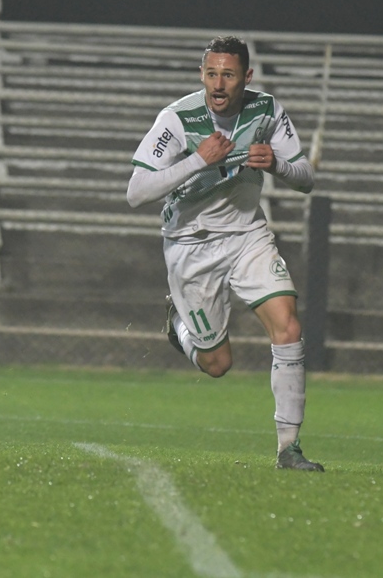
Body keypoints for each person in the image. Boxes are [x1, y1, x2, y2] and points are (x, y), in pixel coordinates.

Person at [127, 35, 323, 471]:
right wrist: (197, 160)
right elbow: (136, 191)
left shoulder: (266, 110)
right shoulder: (178, 119)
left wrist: (276, 165)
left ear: (246, 77)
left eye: (228, 75)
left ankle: (288, 449)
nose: (218, 84)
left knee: (288, 327)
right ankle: (179, 326)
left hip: (247, 237)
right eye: (211, 73)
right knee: (218, 363)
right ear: (202, 74)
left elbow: (306, 177)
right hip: (190, 245)